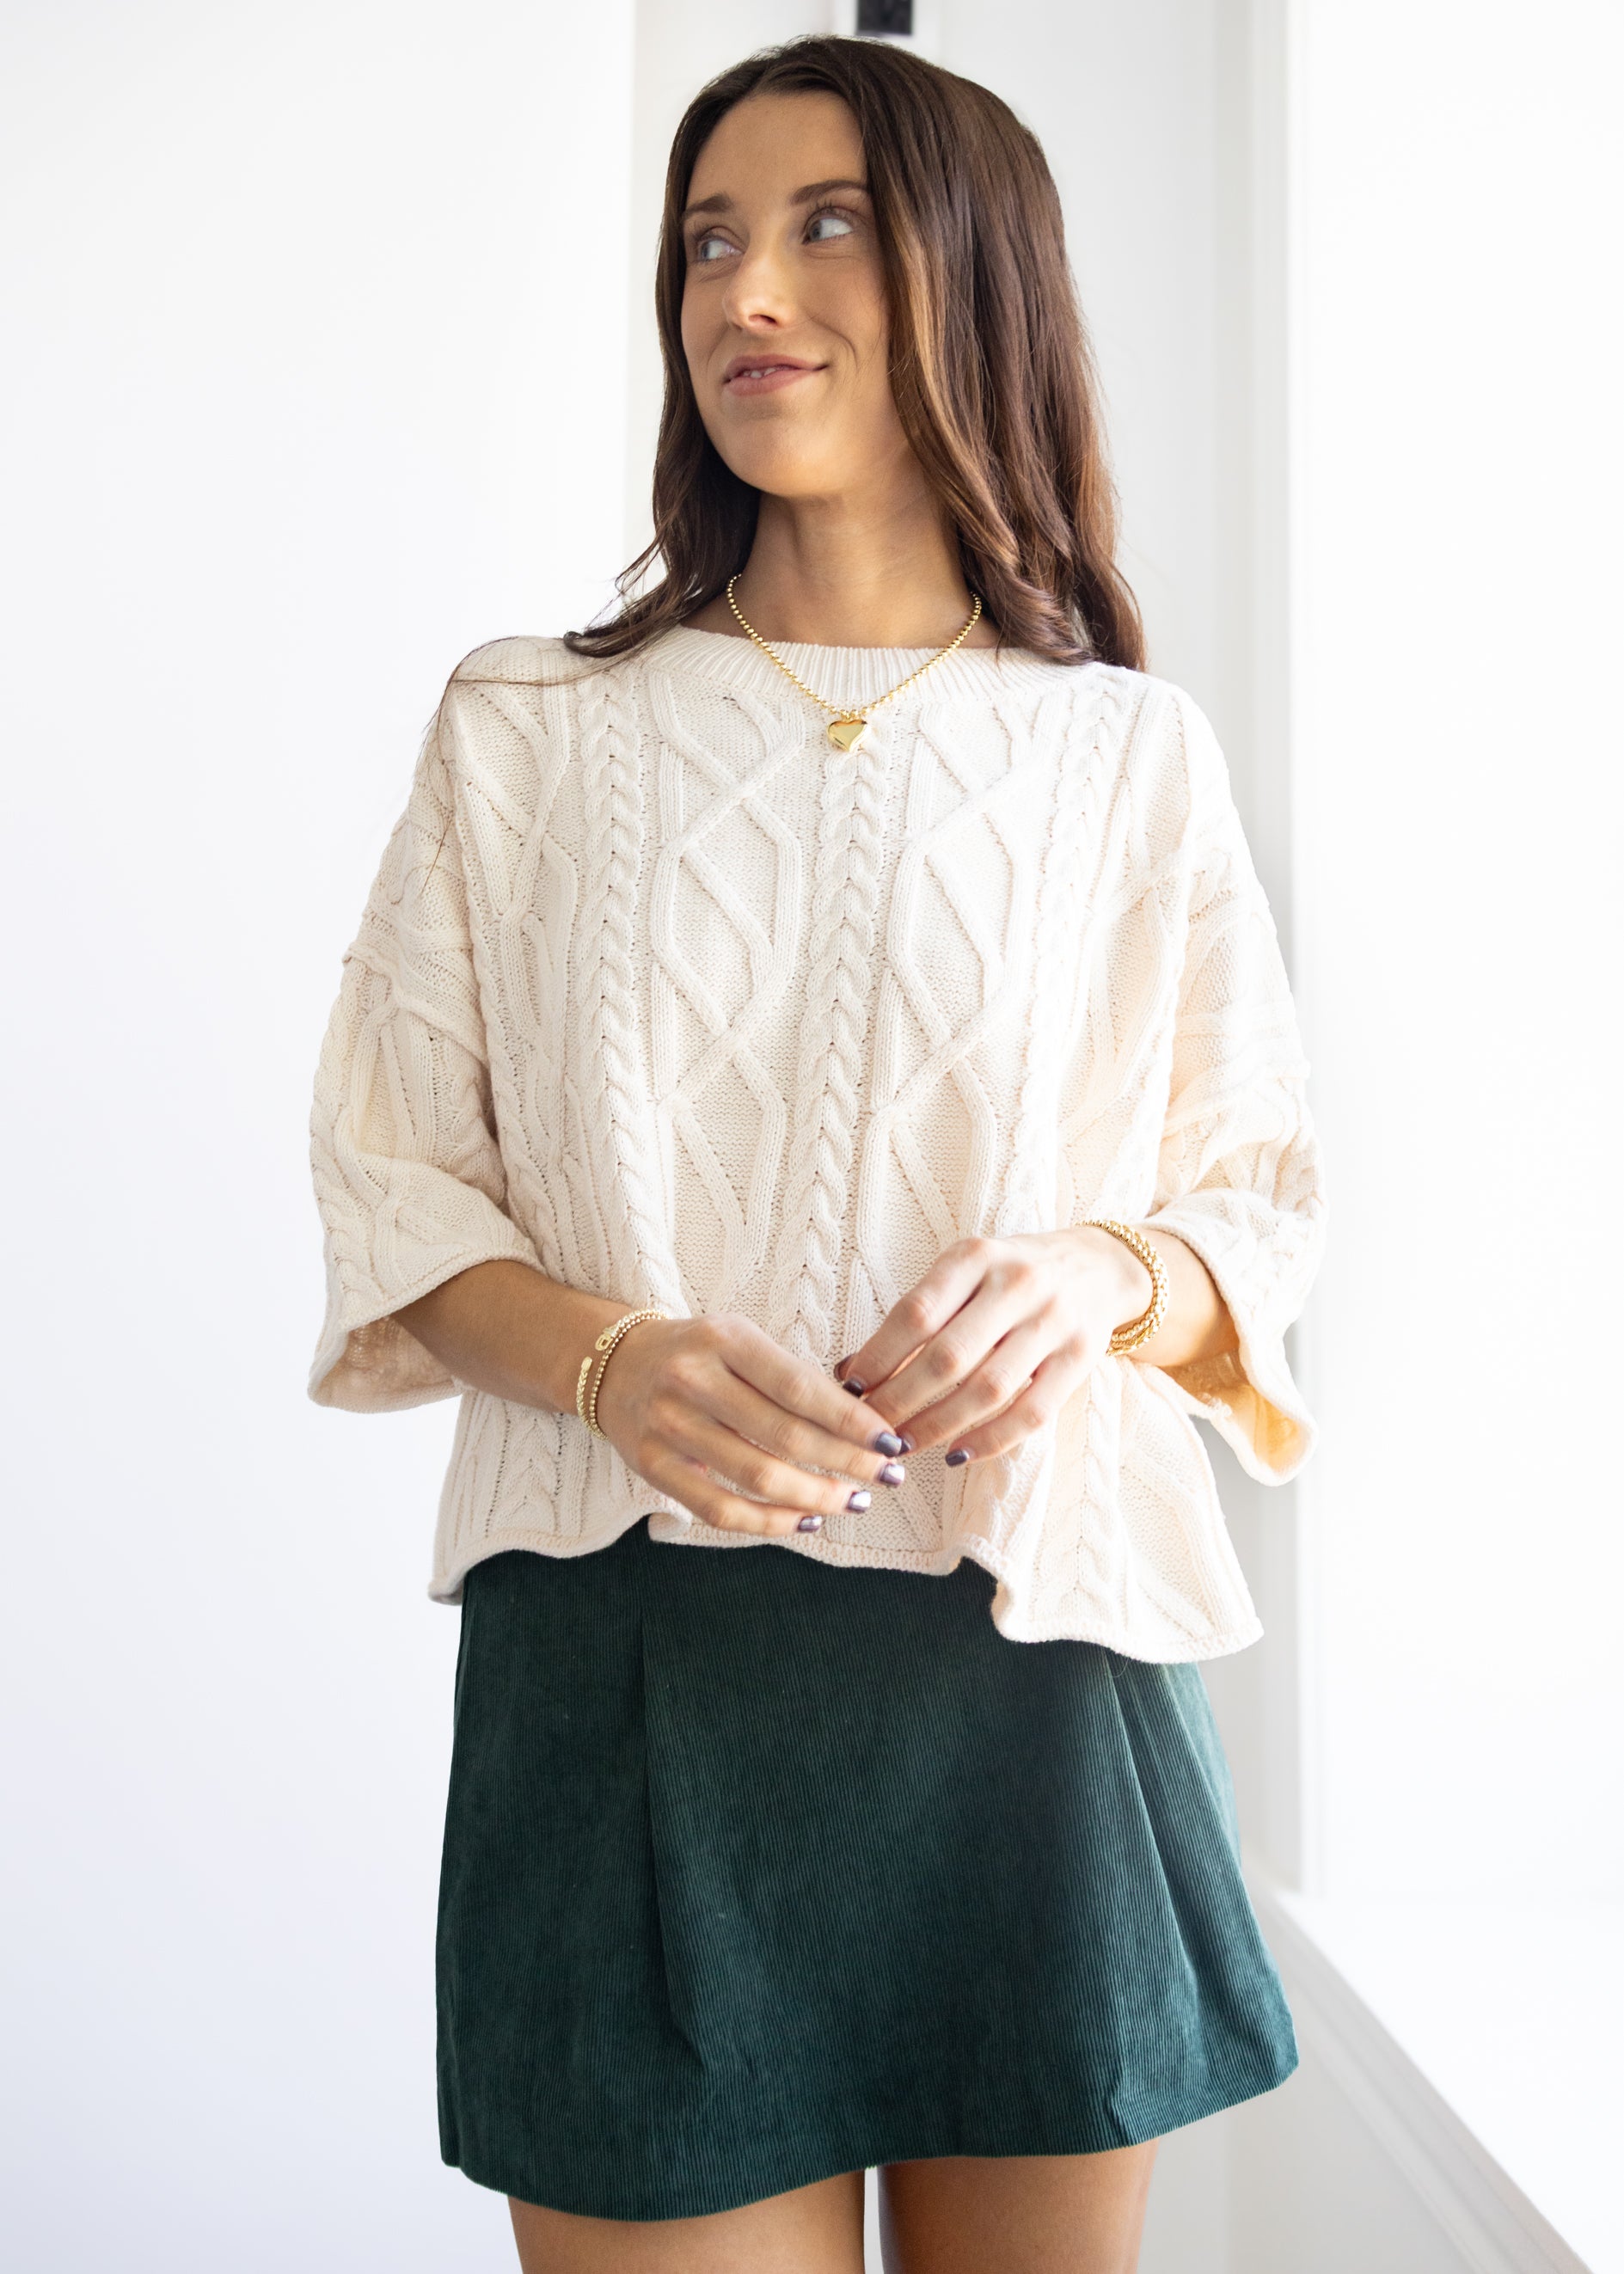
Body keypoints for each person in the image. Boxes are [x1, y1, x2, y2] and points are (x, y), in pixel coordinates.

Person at [306, 32, 1327, 2274]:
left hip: (1030, 1678)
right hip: (637, 1677)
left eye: (825, 221)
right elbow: (393, 1188)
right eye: (708, 238)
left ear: (979, 278)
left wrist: (1091, 1278)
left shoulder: (1120, 754)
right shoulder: (531, 726)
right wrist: (601, 1358)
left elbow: (1251, 1208)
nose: (746, 288)